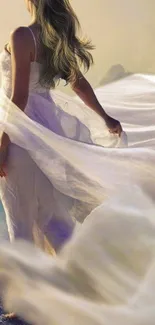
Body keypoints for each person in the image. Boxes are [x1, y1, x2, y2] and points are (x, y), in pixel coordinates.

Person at [0, 0, 123, 255]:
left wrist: (2, 143)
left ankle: (27, 288)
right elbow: (79, 83)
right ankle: (81, 281)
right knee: (53, 219)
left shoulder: (22, 35)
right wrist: (106, 117)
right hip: (47, 137)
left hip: (20, 136)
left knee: (20, 220)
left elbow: (19, 98)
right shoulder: (54, 40)